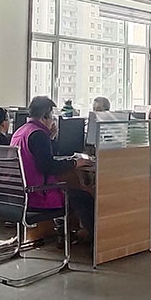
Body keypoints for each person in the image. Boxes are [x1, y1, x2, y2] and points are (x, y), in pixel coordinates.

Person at [11, 96, 94, 236]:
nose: (53, 120)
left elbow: (41, 158)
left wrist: (51, 138)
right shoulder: (38, 135)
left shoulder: (21, 132)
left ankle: (64, 234)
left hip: (20, 194)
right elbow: (48, 167)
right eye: (52, 116)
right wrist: (75, 163)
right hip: (39, 195)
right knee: (84, 198)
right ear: (45, 116)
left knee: (72, 190)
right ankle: (93, 241)